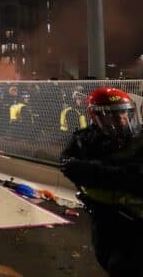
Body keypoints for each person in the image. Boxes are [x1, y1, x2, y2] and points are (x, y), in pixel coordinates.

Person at [61, 87, 143, 275]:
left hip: (134, 219)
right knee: (104, 257)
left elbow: (136, 179)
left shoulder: (139, 141)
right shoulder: (86, 138)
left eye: (124, 112)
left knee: (124, 266)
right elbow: (67, 164)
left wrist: (92, 171)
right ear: (97, 118)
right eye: (113, 115)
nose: (121, 118)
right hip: (101, 215)